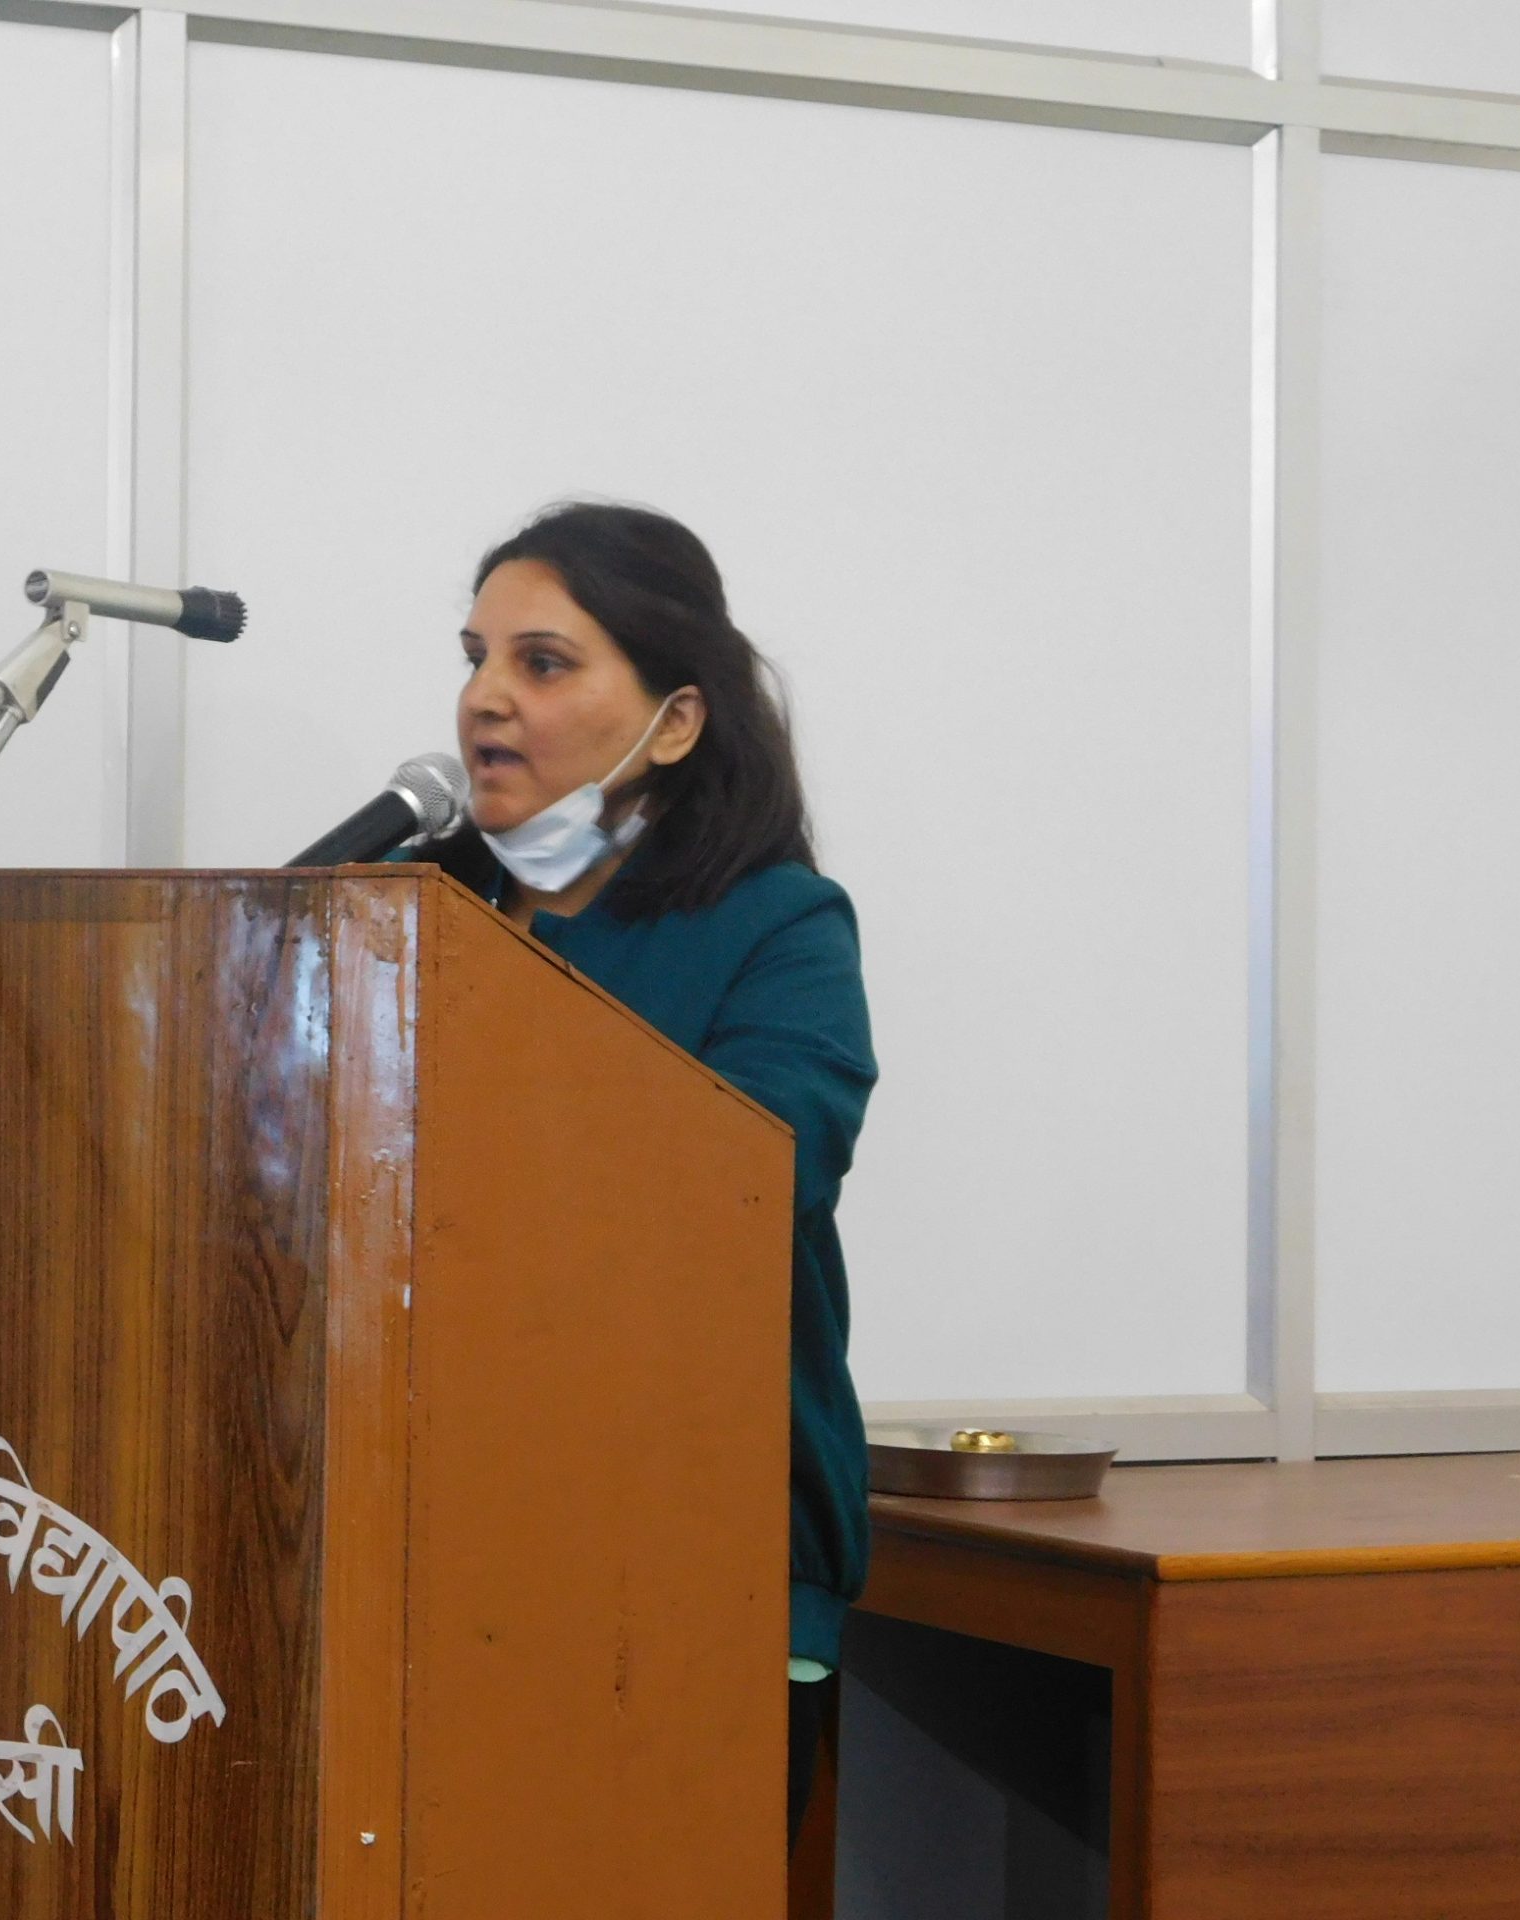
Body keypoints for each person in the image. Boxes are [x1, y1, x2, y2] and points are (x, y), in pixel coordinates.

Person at [415, 500, 876, 1846]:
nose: (486, 698)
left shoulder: (777, 927)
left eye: (543, 663)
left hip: (695, 1566)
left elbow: (755, 1180)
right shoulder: (401, 905)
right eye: (477, 657)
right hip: (425, 1548)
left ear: (675, 723)